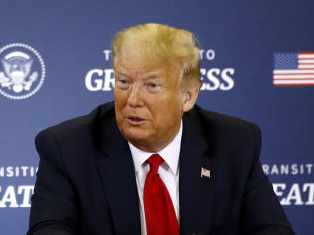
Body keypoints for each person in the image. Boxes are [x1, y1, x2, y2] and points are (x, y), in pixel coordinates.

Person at [27, 23, 294, 235]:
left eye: (152, 85)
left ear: (187, 96)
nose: (132, 99)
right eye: (123, 82)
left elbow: (272, 229)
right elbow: (49, 229)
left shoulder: (233, 143)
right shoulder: (68, 148)